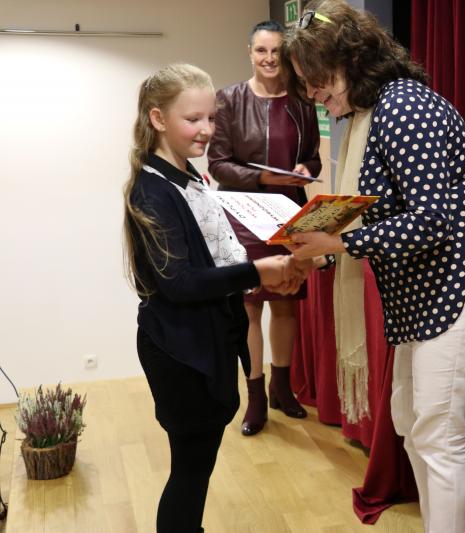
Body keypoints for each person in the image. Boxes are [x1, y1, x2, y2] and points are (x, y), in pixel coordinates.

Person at [280, 2, 465, 532]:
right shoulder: (379, 110)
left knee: (438, 433)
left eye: (318, 79)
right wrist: (328, 241)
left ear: (352, 60)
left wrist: (341, 241)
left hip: (457, 284)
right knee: (412, 424)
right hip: (423, 290)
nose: (315, 94)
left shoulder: (405, 107)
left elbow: (432, 220)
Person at [122, 63, 310, 532]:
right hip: (180, 351)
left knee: (196, 470)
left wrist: (265, 275)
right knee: (189, 472)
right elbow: (181, 283)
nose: (206, 130)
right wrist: (258, 271)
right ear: (158, 119)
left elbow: (216, 256)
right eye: (193, 119)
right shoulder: (152, 191)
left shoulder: (188, 176)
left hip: (201, 341)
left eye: (211, 118)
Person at [208, 20, 322, 433]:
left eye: (276, 51)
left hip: (290, 213)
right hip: (243, 216)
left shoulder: (302, 100)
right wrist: (262, 178)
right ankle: (255, 397)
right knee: (250, 307)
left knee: (287, 303)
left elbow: (313, 158)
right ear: (250, 53)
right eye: (261, 51)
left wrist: (305, 169)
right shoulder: (229, 99)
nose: (269, 59)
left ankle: (282, 388)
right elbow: (217, 164)